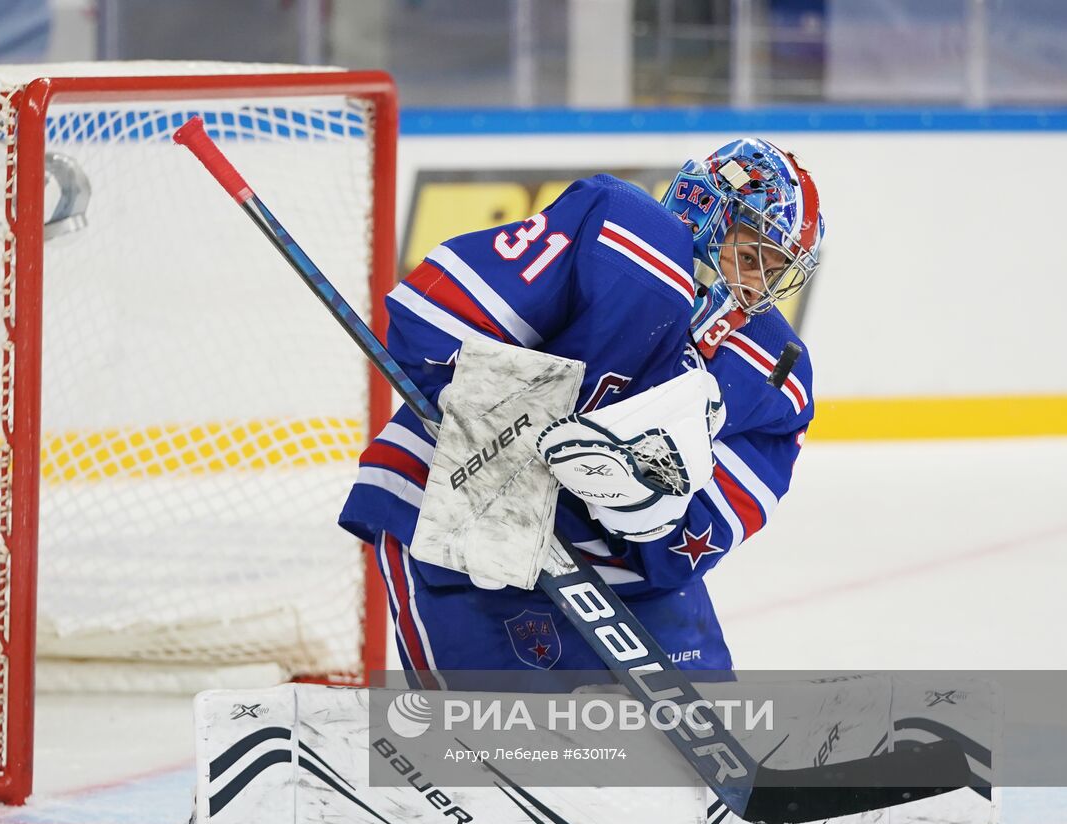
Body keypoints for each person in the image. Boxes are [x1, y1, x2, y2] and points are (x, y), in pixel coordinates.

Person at [338, 138, 824, 686]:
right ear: (705, 208)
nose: (758, 283)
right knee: (496, 744)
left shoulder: (773, 373)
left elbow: (693, 541)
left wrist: (647, 511)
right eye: (751, 253)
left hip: (612, 563)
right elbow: (432, 320)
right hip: (458, 503)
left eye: (777, 268)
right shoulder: (626, 236)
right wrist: (521, 429)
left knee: (709, 730)